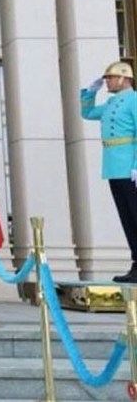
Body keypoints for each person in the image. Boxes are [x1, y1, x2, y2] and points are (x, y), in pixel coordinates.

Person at [81, 60, 137, 283]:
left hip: (130, 167)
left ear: (124, 78)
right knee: (127, 217)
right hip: (114, 167)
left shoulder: (134, 100)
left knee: (135, 215)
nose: (107, 82)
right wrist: (90, 92)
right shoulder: (111, 104)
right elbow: (87, 113)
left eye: (110, 78)